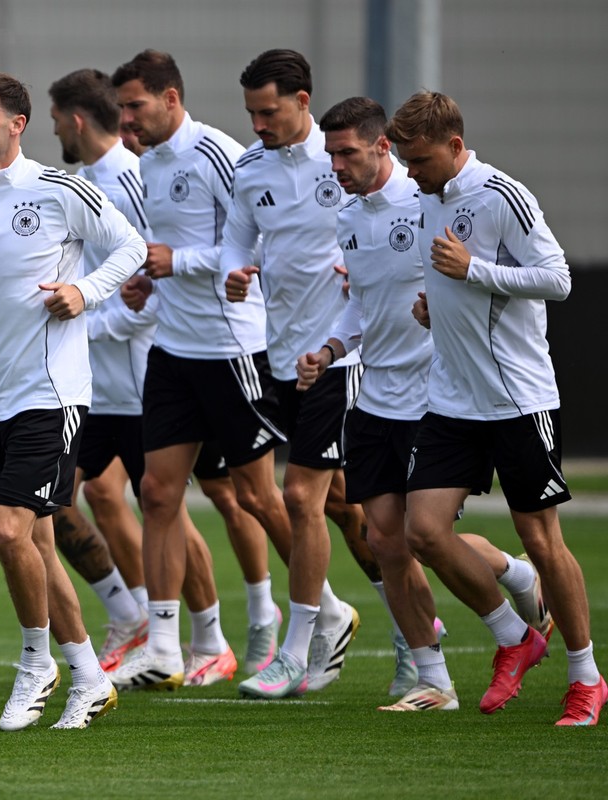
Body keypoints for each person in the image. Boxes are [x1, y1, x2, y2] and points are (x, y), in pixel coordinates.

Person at [0, 72, 144, 730]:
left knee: (7, 531)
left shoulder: (60, 189)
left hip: (51, 393)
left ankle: (36, 663)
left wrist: (85, 292)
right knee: (36, 541)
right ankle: (89, 675)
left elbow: (130, 247)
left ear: (17, 124)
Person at [295, 96, 553, 710]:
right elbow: (362, 303)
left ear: (382, 146)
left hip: (433, 399)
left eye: (346, 153)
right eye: (330, 155)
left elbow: (478, 281)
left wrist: (449, 302)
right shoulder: (349, 218)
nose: (336, 166)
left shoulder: (429, 200)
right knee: (384, 542)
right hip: (373, 396)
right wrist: (330, 349)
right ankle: (434, 680)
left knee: (422, 538)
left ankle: (515, 596)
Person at [385, 90, 606, 725]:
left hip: (516, 399)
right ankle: (515, 637)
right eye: (405, 161)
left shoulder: (502, 194)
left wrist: (473, 271)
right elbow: (454, 286)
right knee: (423, 533)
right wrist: (434, 308)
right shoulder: (426, 197)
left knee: (541, 540)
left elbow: (558, 279)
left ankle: (586, 678)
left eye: (420, 160)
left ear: (455, 146)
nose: (411, 173)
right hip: (452, 399)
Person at [104, 50, 291, 693]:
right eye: (121, 108)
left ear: (171, 98)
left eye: (135, 106)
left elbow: (256, 244)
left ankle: (317, 610)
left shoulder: (216, 154)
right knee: (156, 493)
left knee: (257, 497)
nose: (126, 119)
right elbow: (167, 254)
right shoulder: (148, 162)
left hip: (231, 348)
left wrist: (175, 263)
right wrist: (148, 283)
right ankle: (164, 647)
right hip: (172, 350)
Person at [218, 49, 381, 699]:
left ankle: (299, 646)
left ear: (302, 101)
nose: (258, 124)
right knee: (347, 505)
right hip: (280, 354)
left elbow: (393, 221)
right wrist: (235, 270)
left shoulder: (343, 160)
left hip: (340, 356)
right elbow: (238, 239)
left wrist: (364, 269)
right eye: (251, 113)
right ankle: (438, 617)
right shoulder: (250, 168)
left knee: (299, 498)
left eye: (269, 112)